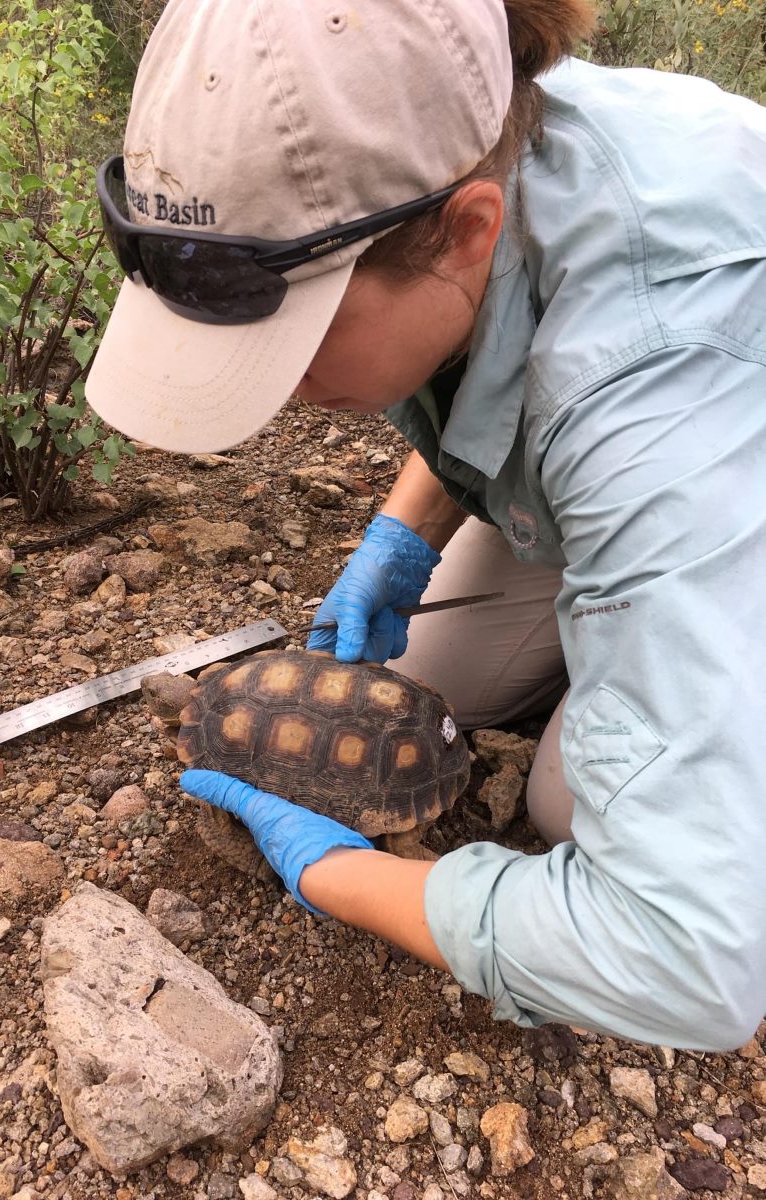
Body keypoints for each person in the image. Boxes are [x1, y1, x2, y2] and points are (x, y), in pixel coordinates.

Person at [86, 0, 766, 1051]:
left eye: (297, 339)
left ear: (466, 231)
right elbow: (478, 340)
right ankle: (656, 659)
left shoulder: (650, 379)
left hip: (718, 453)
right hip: (650, 467)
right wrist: (398, 540)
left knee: (570, 807)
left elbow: (688, 964)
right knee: (433, 683)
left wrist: (345, 875)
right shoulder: (468, 124)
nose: (272, 398)